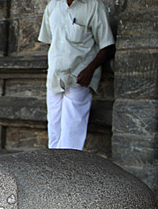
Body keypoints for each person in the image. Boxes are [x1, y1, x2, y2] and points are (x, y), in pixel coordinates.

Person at [38, 0, 115, 150]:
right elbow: (50, 42)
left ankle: (66, 170)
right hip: (55, 78)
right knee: (54, 130)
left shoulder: (93, 6)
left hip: (79, 78)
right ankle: (53, 170)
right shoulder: (53, 6)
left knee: (72, 133)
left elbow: (107, 45)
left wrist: (89, 70)